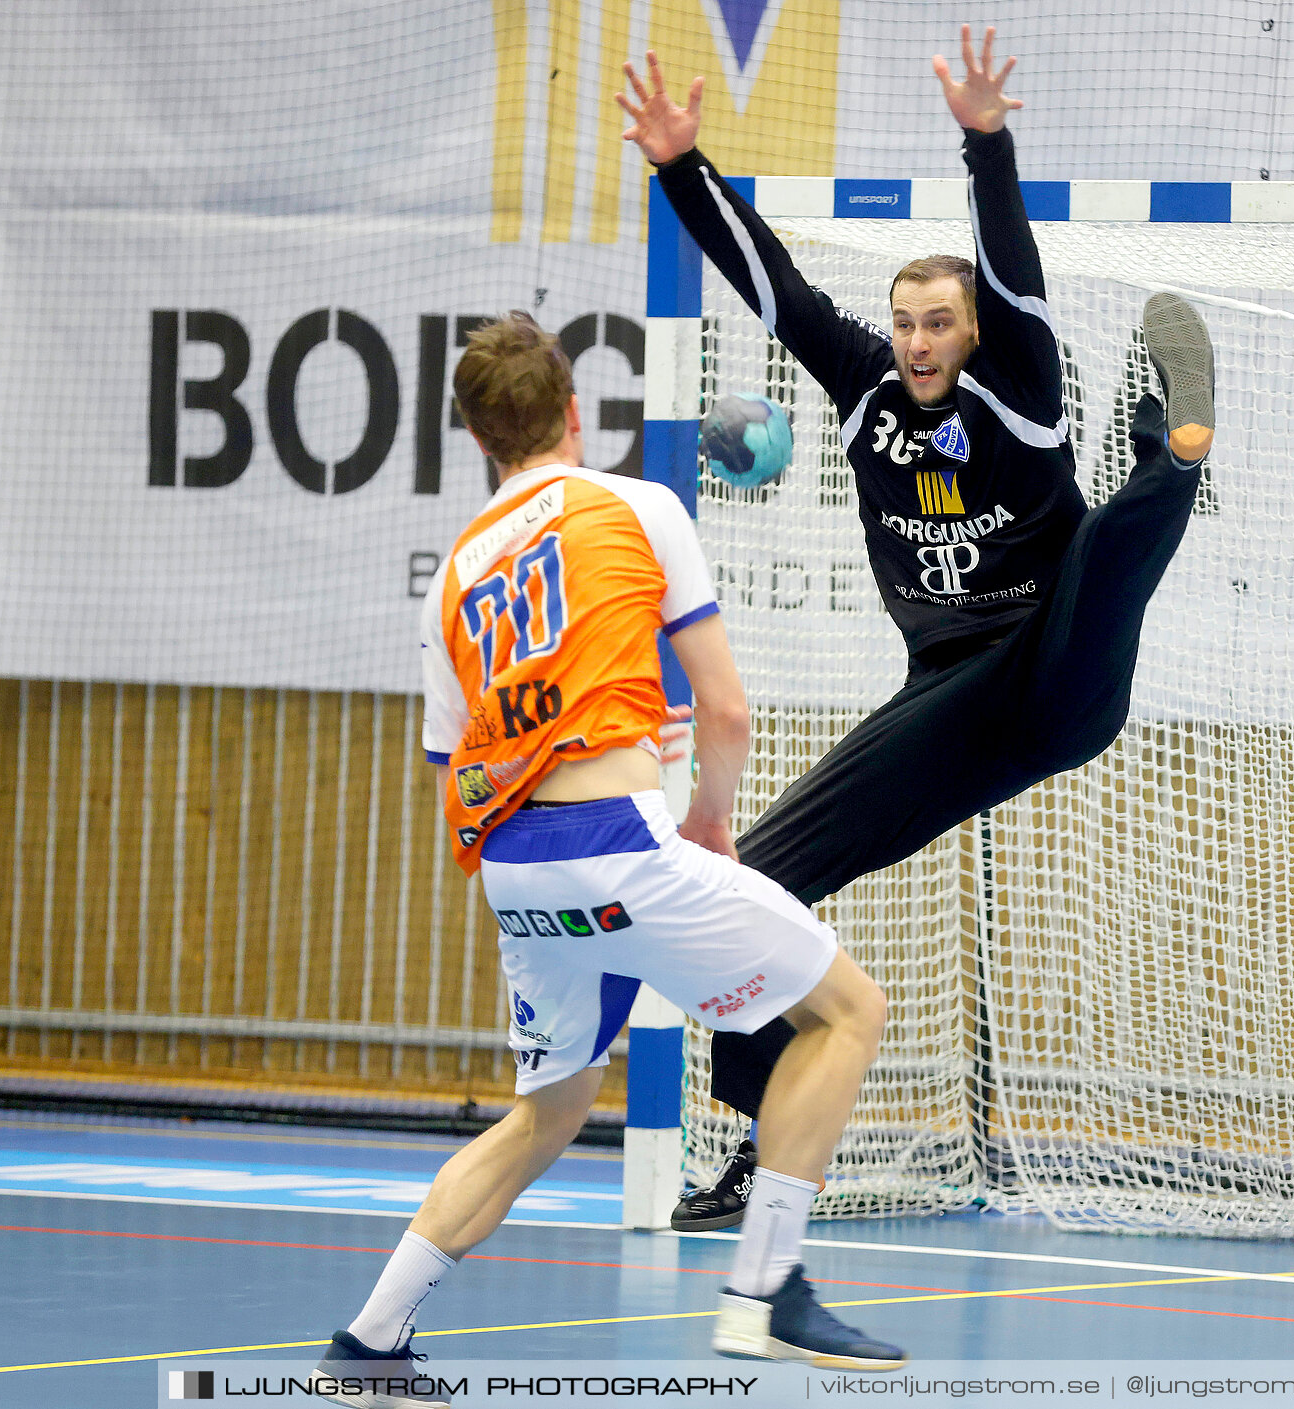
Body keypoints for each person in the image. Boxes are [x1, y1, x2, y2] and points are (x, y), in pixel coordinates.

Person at [617, 26, 1216, 1229]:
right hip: (946, 697)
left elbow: (1009, 269)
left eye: (938, 322)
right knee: (750, 879)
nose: (917, 339)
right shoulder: (866, 394)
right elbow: (774, 284)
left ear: (974, 332)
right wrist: (683, 167)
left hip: (1055, 670)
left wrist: (985, 144)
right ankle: (768, 1132)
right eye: (904, 321)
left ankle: (1176, 451)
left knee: (1100, 548)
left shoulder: (1022, 382)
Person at [309, 313, 904, 1409]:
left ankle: (368, 1344)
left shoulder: (456, 573)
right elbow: (724, 708)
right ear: (573, 409)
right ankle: (767, 1283)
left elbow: (457, 763)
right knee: (849, 1010)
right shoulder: (638, 507)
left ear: (481, 437)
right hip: (621, 849)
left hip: (519, 870)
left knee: (552, 1105)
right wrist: (711, 823)